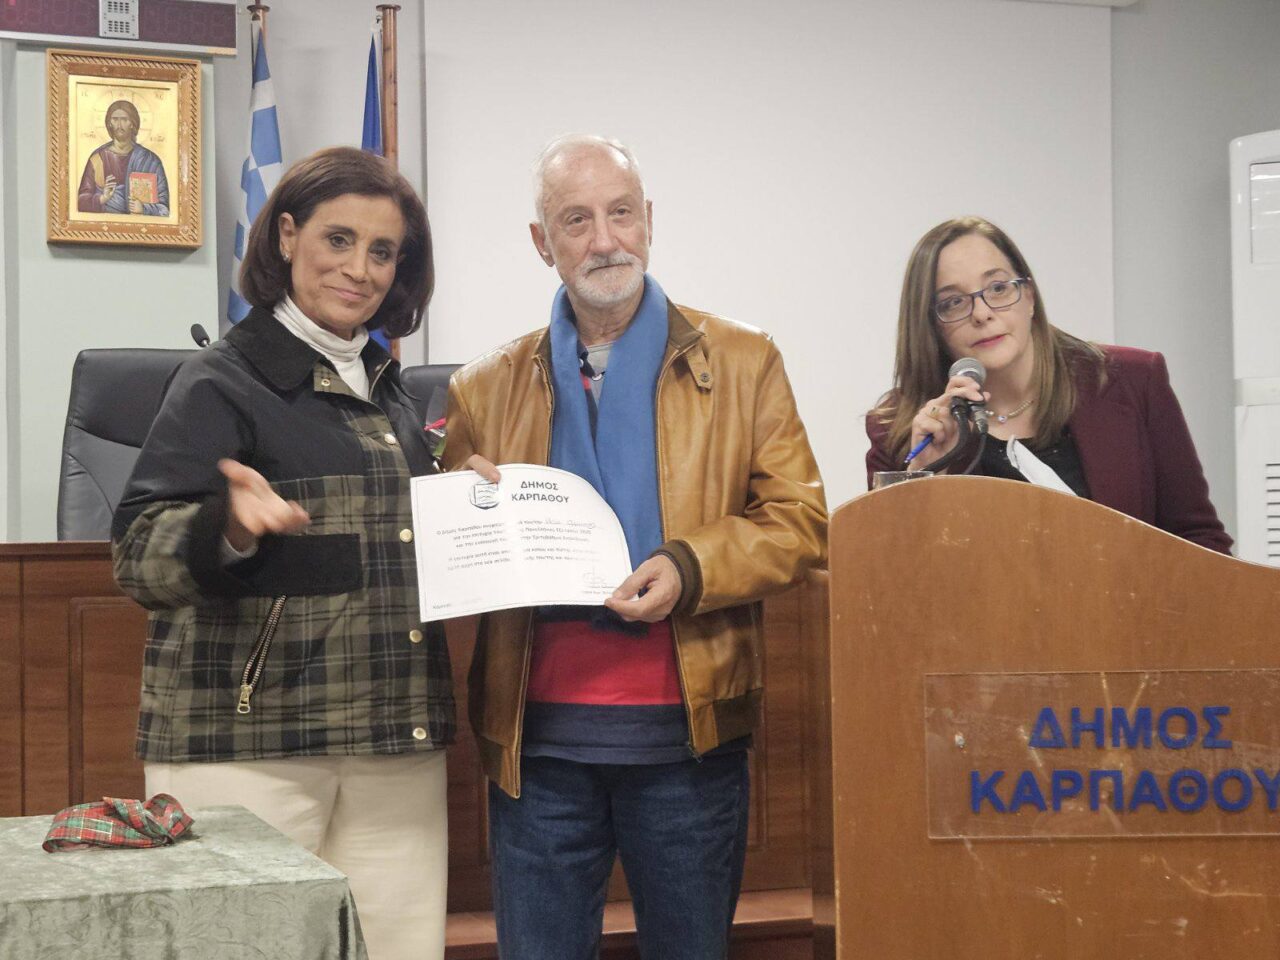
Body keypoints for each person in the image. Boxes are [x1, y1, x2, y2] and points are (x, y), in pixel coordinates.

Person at [444, 134, 827, 960]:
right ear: (542, 241)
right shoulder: (482, 388)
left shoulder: (746, 362)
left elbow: (798, 521)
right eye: (576, 220)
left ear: (649, 220)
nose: (605, 240)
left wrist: (691, 567)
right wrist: (462, 506)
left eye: (620, 213)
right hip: (538, 748)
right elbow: (452, 562)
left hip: (687, 741)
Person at [112, 146, 454, 960]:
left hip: (394, 744)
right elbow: (135, 555)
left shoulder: (393, 393)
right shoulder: (221, 381)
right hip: (248, 751)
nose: (360, 269)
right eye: (339, 240)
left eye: (383, 251)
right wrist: (226, 530)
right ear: (288, 236)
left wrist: (471, 504)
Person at [866, 215, 1231, 554]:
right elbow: (888, 584)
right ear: (931, 325)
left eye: (998, 287)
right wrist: (924, 482)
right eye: (953, 303)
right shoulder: (900, 428)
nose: (982, 313)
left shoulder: (1133, 381)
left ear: (1029, 296)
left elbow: (1200, 541)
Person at [77, 99, 170, 216]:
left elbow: (165, 209)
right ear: (109, 123)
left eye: (124, 119)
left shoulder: (150, 160)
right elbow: (80, 202)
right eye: (115, 119)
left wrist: (144, 209)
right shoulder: (98, 159)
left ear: (132, 123)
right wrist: (102, 198)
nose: (119, 125)